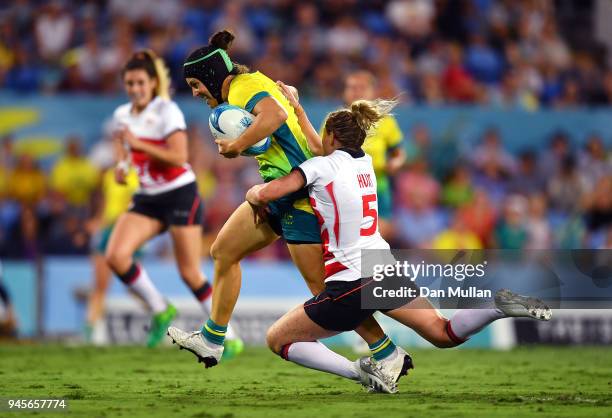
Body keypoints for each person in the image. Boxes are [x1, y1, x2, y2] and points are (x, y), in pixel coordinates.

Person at [232, 90, 549, 393]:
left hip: (352, 280)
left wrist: (252, 194)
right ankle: (497, 306)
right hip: (383, 267)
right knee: (443, 332)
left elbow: (268, 191)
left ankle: (361, 371)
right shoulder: (365, 163)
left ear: (331, 137)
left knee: (278, 339)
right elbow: (321, 152)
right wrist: (299, 111)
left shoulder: (320, 167)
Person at [168, 30, 399, 370]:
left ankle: (386, 352)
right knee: (223, 251)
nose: (195, 92)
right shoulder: (246, 83)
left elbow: (274, 116)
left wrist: (236, 145)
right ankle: (213, 339)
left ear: (211, 77)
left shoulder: (243, 87)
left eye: (195, 84)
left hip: (300, 196)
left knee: (327, 292)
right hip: (278, 193)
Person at [105, 50, 241, 353]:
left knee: (190, 272)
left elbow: (179, 157)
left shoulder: (167, 112)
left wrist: (138, 144)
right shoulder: (121, 116)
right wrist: (122, 165)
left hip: (180, 193)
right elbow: (122, 148)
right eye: (129, 83)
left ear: (153, 83)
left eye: (140, 82)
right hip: (147, 198)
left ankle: (228, 335)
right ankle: (159, 309)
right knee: (115, 255)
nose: (135, 88)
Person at [334, 71, 406, 240]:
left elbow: (398, 152)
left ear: (372, 92)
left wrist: (396, 162)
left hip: (377, 184)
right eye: (352, 87)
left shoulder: (386, 121)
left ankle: (371, 263)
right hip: (345, 186)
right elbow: (321, 151)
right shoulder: (335, 121)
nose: (356, 92)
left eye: (362, 88)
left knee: (379, 233)